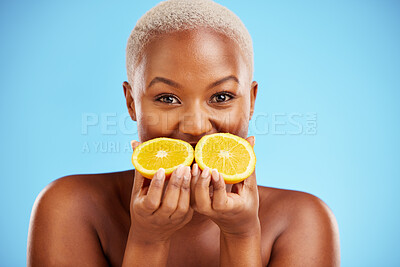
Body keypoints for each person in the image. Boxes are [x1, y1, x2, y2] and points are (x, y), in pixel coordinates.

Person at [27, 0, 340, 266]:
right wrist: (148, 240)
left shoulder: (302, 222)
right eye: (167, 99)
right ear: (131, 103)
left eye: (221, 97)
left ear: (252, 102)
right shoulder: (70, 208)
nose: (195, 126)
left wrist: (241, 236)